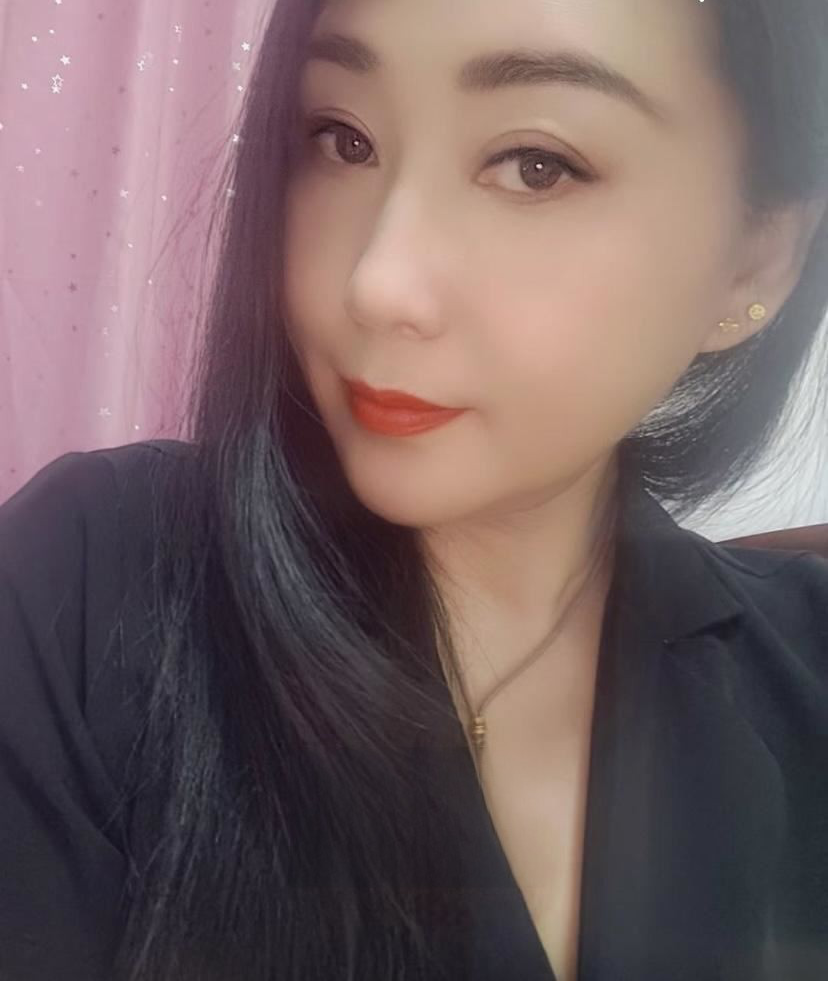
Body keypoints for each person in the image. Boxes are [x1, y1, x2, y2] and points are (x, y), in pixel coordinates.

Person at [1, 1, 828, 979]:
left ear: (755, 256)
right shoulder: (89, 589)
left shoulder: (805, 671)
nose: (377, 282)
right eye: (342, 139)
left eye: (536, 164)